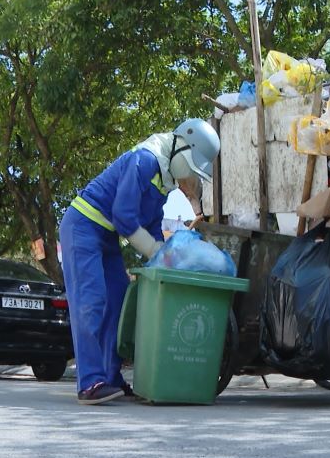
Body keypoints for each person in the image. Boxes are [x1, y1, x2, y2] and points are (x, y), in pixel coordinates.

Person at [59, 118, 220, 405]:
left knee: (119, 299)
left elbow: (152, 223)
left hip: (105, 236)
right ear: (182, 148)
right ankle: (90, 382)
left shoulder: (163, 180)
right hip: (82, 225)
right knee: (91, 300)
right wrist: (154, 250)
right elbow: (124, 216)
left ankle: (110, 376)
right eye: (192, 169)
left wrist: (166, 256)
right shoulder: (145, 160)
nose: (190, 178)